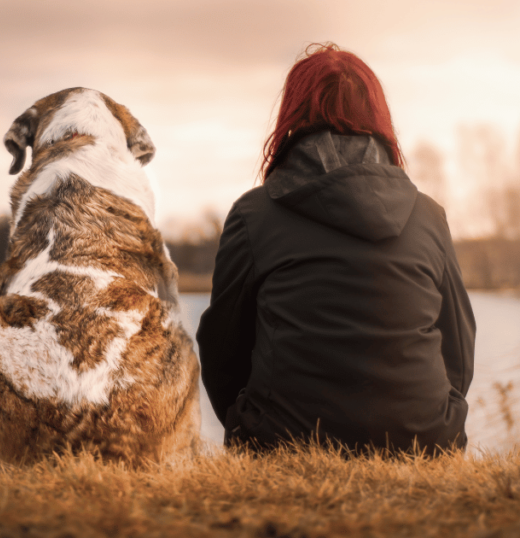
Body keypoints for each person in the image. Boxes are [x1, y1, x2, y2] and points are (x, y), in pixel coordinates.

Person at [196, 43, 475, 455]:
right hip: (424, 442)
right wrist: (434, 418)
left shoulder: (253, 215)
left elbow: (222, 350)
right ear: (378, 116)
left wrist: (248, 422)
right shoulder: (429, 216)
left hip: (283, 442)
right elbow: (459, 348)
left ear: (292, 116)